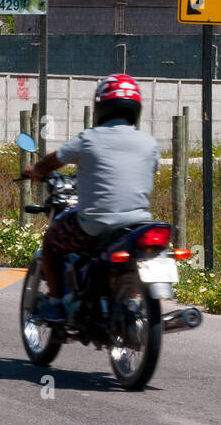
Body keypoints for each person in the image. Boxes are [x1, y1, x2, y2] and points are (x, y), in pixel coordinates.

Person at [24, 73, 160, 322]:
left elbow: (53, 160)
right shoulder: (148, 143)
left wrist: (36, 171)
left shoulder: (89, 139)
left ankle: (56, 302)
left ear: (101, 107)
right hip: (139, 224)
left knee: (52, 241)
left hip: (95, 225)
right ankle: (125, 298)